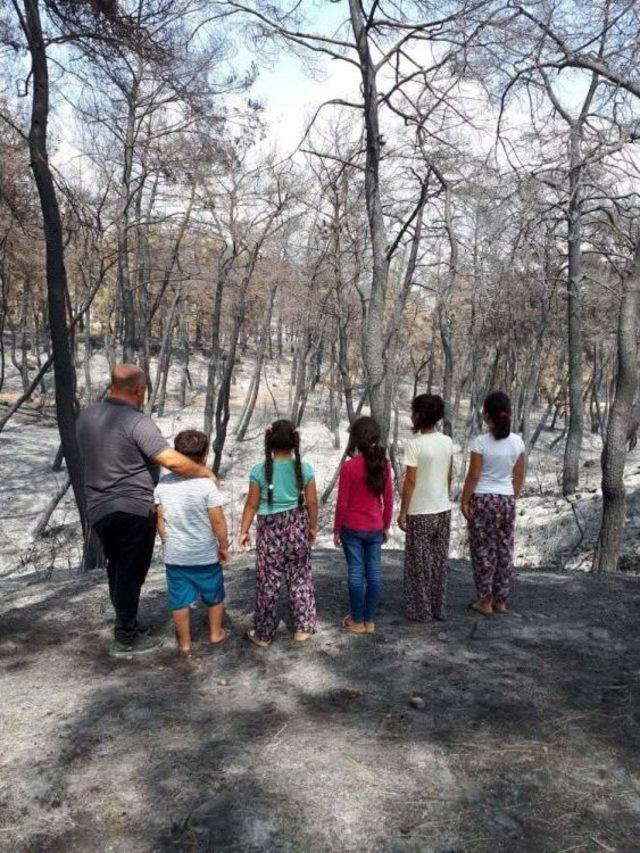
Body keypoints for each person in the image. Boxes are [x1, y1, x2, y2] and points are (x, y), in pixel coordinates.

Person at [76, 364, 219, 657]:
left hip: (98, 509)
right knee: (130, 572)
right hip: (132, 508)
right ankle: (125, 636)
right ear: (139, 390)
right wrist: (205, 473)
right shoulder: (135, 421)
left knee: (117, 567)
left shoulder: (85, 417)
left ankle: (126, 622)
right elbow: (172, 460)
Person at [239, 420, 318, 648]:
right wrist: (312, 527)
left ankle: (263, 633)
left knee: (268, 581)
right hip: (297, 525)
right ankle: (303, 627)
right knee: (300, 576)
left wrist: (243, 531)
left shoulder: (259, 470)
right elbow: (311, 501)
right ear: (295, 442)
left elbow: (252, 504)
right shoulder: (305, 469)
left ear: (269, 442)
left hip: (269, 530)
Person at [154, 430, 230, 659]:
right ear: (205, 456)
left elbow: (160, 519)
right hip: (204, 554)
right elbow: (217, 520)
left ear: (176, 454)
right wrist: (224, 546)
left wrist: (166, 541)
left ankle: (185, 643)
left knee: (179, 601)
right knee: (214, 595)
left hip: (176, 556)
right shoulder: (207, 485)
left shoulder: (163, 484)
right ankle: (215, 633)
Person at [461, 391, 526, 616]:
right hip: (506, 500)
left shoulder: (480, 443)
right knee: (504, 550)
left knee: (483, 551)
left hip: (483, 500)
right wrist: (511, 496)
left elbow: (473, 476)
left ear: (486, 416)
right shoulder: (518, 442)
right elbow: (519, 475)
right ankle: (501, 599)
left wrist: (464, 500)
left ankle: (485, 600)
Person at [334, 416, 393, 635]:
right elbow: (388, 500)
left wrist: (337, 529)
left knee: (356, 573)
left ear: (355, 439)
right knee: (374, 573)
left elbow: (342, 503)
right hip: (375, 527)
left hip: (352, 528)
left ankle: (356, 620)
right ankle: (369, 621)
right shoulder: (383, 465)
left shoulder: (349, 468)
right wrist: (385, 525)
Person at [398, 394, 453, 622]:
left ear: (420, 415)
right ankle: (438, 607)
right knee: (438, 560)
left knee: (418, 563)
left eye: (413, 411)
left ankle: (422, 610)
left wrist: (403, 512)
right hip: (443, 509)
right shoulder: (447, 441)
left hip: (420, 511)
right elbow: (449, 474)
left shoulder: (415, 444)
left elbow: (410, 481)